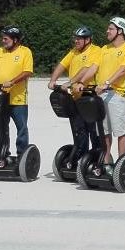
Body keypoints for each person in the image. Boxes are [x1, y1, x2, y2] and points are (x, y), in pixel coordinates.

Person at [0, 26, 34, 165]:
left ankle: (22, 156)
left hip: (17, 98)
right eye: (2, 38)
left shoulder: (25, 52)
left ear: (15, 40)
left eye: (6, 38)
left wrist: (12, 82)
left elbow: (27, 72)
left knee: (21, 128)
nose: (3, 41)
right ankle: (3, 153)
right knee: (0, 129)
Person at [48, 26, 102, 164]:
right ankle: (80, 157)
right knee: (79, 129)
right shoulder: (74, 52)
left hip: (88, 96)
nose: (76, 41)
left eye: (79, 39)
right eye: (75, 38)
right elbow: (62, 65)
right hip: (75, 97)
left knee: (93, 130)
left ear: (88, 40)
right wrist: (53, 80)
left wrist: (70, 82)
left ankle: (97, 156)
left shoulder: (96, 51)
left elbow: (86, 69)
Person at [95, 17, 125, 168]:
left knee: (120, 131)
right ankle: (106, 161)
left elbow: (123, 70)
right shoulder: (104, 49)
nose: (107, 31)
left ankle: (121, 163)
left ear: (120, 31)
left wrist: (106, 83)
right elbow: (94, 67)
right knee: (104, 130)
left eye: (111, 29)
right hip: (101, 94)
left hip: (118, 94)